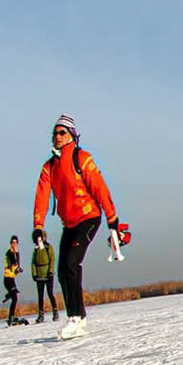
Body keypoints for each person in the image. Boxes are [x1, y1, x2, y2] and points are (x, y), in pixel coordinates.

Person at [32, 113, 128, 341]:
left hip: (89, 218)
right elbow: (42, 197)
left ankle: (74, 318)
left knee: (71, 264)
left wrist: (112, 219)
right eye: (54, 133)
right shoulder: (49, 167)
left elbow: (100, 187)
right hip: (69, 224)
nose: (57, 136)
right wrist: (38, 226)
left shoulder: (81, 158)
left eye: (61, 132)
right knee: (62, 271)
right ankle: (80, 318)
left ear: (72, 135)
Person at [30, 228, 56, 323]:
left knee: (50, 293)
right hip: (39, 275)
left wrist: (51, 271)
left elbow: (52, 259)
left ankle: (55, 311)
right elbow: (33, 262)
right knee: (40, 296)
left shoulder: (48, 247)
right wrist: (34, 274)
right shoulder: (36, 249)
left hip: (48, 274)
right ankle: (41, 315)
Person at [2, 234, 24, 325]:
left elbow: (16, 266)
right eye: (12, 242)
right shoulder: (10, 253)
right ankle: (11, 317)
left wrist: (18, 269)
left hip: (11, 279)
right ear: (10, 243)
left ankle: (9, 295)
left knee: (14, 298)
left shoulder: (16, 252)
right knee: (15, 298)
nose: (14, 244)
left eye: (15, 242)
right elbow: (11, 263)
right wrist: (16, 268)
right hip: (8, 279)